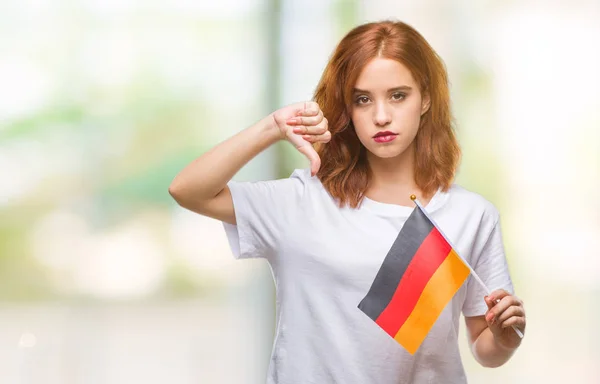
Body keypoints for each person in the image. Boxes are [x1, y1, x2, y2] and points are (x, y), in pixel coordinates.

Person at [169, 20, 526, 384]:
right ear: (347, 109)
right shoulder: (302, 200)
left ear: (426, 98)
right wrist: (272, 128)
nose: (381, 115)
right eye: (363, 99)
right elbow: (187, 190)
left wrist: (504, 338)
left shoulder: (470, 215)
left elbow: (485, 349)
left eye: (398, 95)